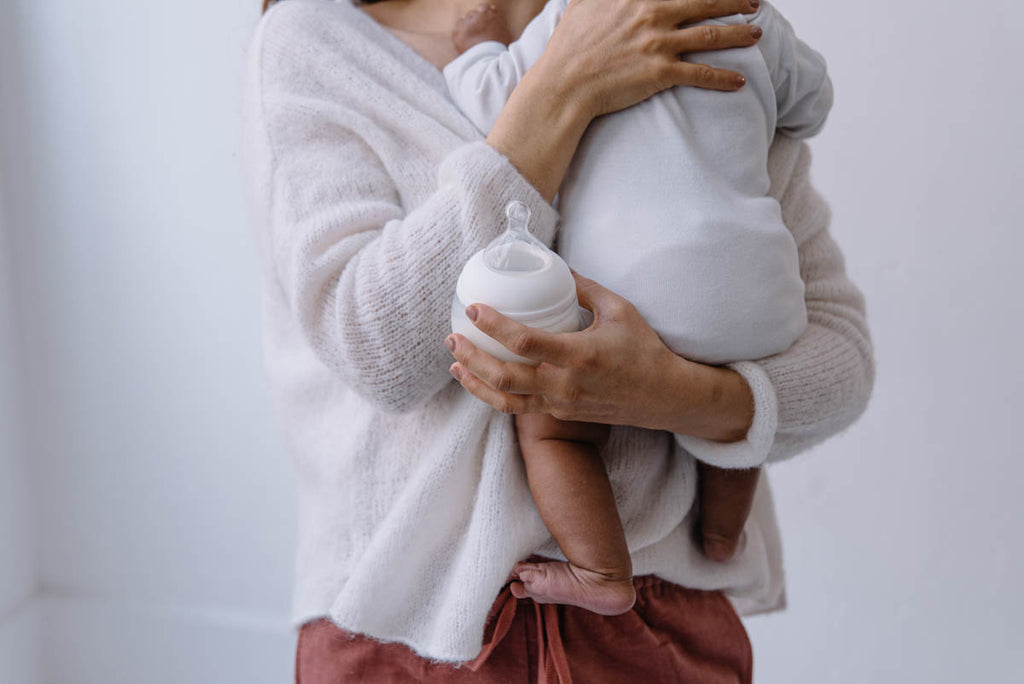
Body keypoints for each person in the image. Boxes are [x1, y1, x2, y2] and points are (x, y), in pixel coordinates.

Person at [243, 0, 874, 681]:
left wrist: (673, 396)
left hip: (656, 625)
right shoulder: (313, 40)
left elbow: (840, 361)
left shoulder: (669, 21)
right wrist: (562, 86)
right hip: (408, 631)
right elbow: (379, 351)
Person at [443, 0, 832, 616]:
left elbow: (496, 103)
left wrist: (479, 49)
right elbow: (812, 104)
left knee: (554, 428)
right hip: (757, 292)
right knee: (737, 384)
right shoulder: (752, 17)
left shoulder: (577, 16)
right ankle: (723, 535)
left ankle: (601, 570)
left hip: (626, 297)